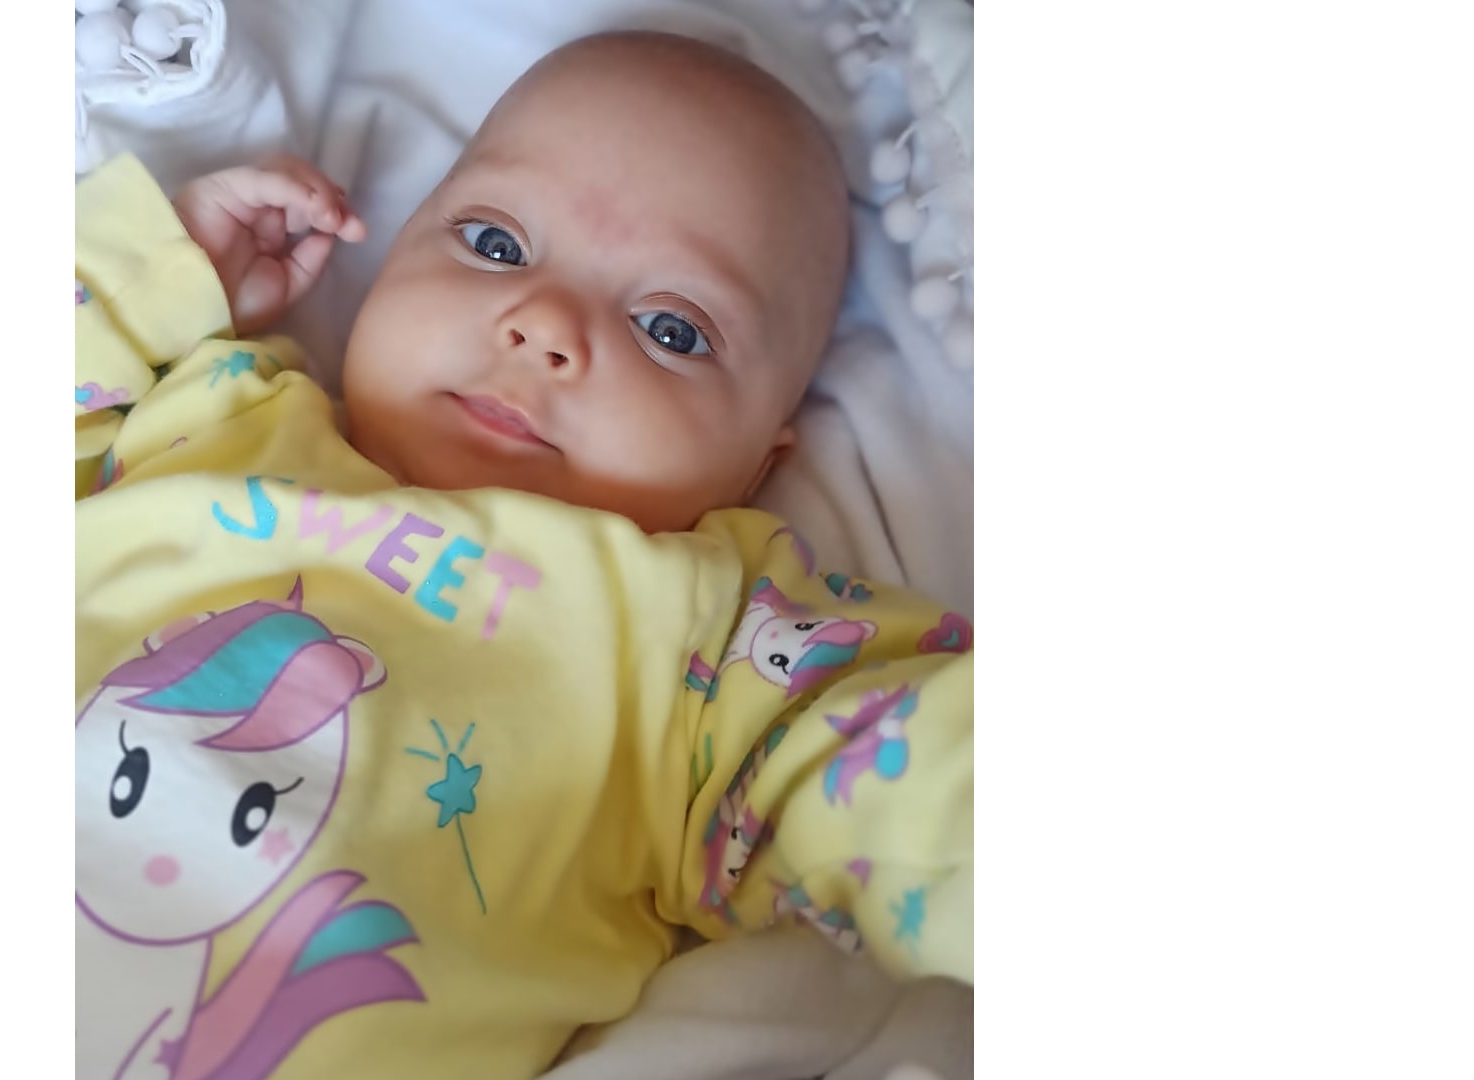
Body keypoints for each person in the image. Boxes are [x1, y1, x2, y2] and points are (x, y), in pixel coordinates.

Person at [74, 30, 973, 1080]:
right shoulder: (213, 410)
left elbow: (890, 766)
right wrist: (146, 274)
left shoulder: (700, 644)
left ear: (756, 464)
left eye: (671, 331)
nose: (543, 324)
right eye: (495, 244)